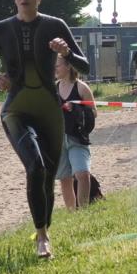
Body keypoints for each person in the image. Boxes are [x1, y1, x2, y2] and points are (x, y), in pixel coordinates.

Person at [0, 0, 89, 259]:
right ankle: (42, 237)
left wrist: (66, 54)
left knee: (48, 175)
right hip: (16, 109)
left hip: (49, 110)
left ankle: (45, 228)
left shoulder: (55, 25)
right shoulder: (0, 29)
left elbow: (84, 66)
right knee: (35, 167)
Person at [55, 55, 96, 211]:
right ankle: (72, 213)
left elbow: (94, 112)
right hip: (58, 139)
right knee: (64, 179)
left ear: (68, 66)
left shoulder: (82, 88)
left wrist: (77, 109)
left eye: (57, 65)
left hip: (77, 138)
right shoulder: (54, 87)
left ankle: (83, 212)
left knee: (82, 174)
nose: (54, 69)